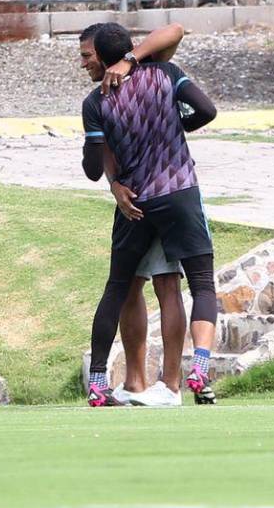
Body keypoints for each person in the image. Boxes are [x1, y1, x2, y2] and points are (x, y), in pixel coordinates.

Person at [81, 23, 220, 406]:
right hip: (179, 194)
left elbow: (92, 166)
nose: (82, 64)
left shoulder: (95, 102)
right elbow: (207, 109)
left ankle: (97, 382)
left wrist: (108, 174)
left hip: (136, 203)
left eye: (85, 56)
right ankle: (199, 369)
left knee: (118, 287)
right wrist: (179, 123)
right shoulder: (166, 74)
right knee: (201, 284)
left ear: (104, 56)